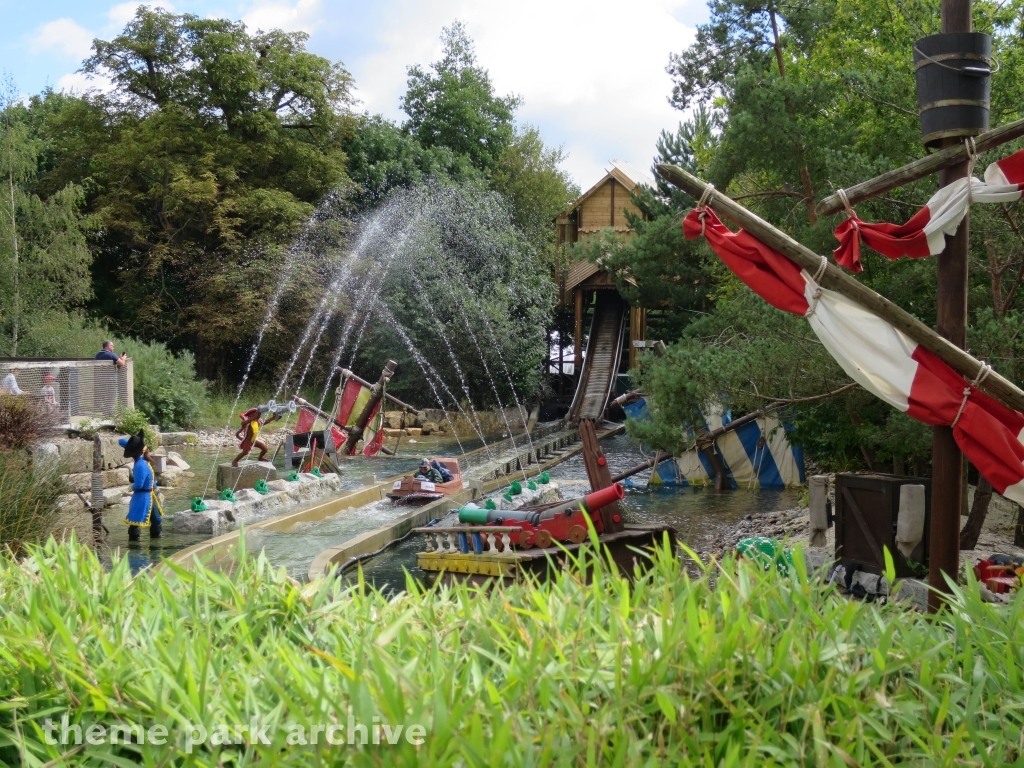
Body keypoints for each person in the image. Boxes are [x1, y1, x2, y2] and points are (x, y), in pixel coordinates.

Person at [119, 431, 162, 541]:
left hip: (150, 495)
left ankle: (156, 537)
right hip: (142, 497)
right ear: (141, 451)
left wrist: (157, 491)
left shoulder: (142, 462)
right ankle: (134, 540)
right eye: (144, 447)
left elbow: (150, 481)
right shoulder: (141, 465)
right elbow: (139, 485)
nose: (146, 448)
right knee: (136, 519)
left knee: (156, 518)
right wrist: (132, 488)